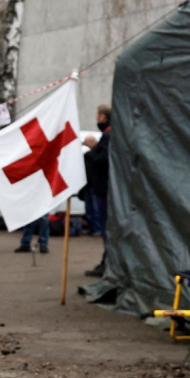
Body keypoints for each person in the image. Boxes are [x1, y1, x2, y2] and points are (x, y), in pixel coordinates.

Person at [83, 105, 111, 277]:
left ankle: (107, 263)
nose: (96, 119)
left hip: (103, 190)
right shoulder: (109, 135)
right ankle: (106, 262)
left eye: (98, 116)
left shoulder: (109, 135)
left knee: (106, 229)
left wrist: (91, 151)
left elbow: (103, 159)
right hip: (101, 188)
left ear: (103, 117)